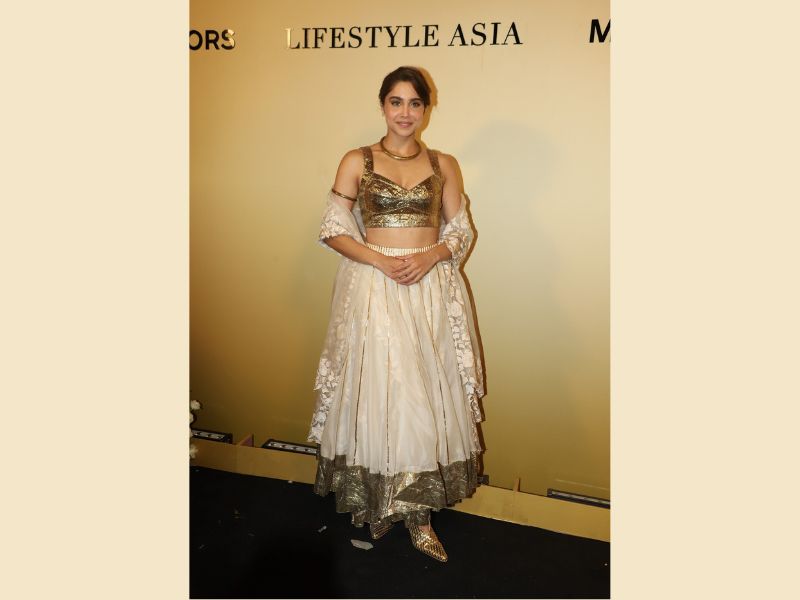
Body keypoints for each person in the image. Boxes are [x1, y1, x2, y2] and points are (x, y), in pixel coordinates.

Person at [307, 66, 485, 563]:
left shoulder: (444, 163)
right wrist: (380, 261)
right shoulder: (356, 160)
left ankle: (419, 513)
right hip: (374, 288)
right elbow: (333, 229)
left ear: (426, 108)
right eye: (396, 102)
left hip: (429, 290)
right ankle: (379, 502)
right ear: (383, 105)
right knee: (380, 391)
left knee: (424, 394)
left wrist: (431, 256)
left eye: (415, 103)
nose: (405, 112)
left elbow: (460, 231)